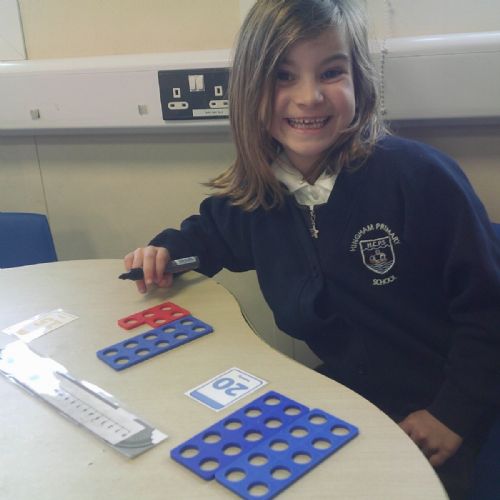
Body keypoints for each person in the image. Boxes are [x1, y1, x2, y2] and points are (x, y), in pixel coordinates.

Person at [124, 1, 500, 498]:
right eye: (284, 76)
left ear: (358, 81)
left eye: (330, 72)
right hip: (348, 397)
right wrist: (165, 252)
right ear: (250, 90)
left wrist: (452, 414)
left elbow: (489, 308)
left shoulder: (421, 178)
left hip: (447, 407)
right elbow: (206, 237)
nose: (309, 97)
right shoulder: (258, 197)